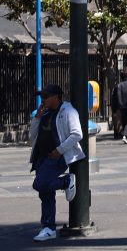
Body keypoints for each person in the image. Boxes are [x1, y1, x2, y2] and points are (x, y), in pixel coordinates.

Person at [29, 84, 83, 242]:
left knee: (39, 184)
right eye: (42, 96)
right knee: (44, 193)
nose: (43, 99)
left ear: (56, 97)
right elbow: (33, 135)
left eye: (46, 96)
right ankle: (48, 228)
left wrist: (59, 150)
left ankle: (66, 181)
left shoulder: (68, 111)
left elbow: (77, 134)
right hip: (41, 157)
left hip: (56, 157)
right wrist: (37, 117)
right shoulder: (44, 113)